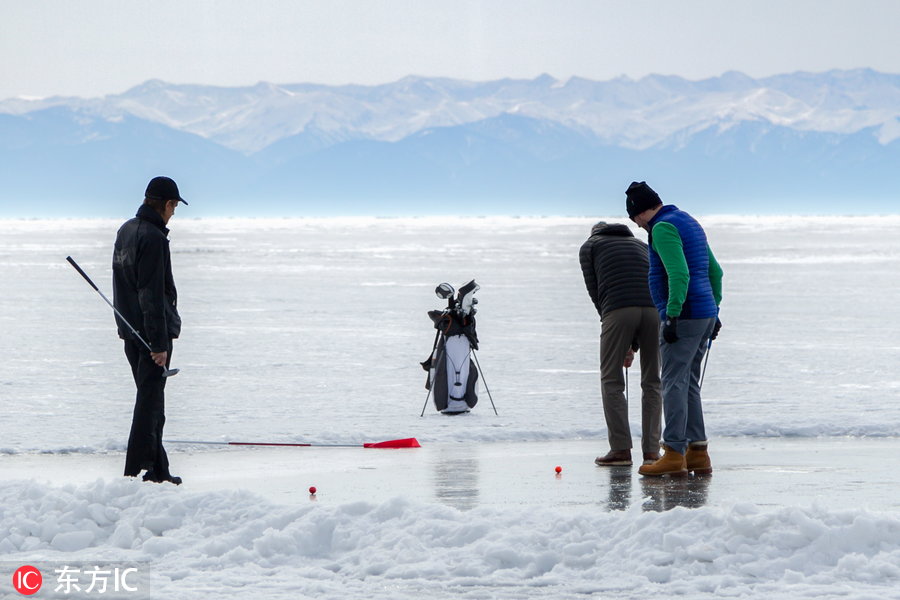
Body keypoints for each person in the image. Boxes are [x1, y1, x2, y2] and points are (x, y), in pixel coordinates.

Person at [624, 181, 723, 477]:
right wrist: (714, 311)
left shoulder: (663, 228)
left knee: (673, 383)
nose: (639, 227)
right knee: (688, 382)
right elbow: (715, 271)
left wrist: (674, 315)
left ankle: (675, 452)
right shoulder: (687, 221)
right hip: (703, 314)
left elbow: (678, 272)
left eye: (635, 220)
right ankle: (698, 453)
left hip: (685, 315)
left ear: (639, 213)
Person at [113, 176, 187, 485]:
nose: (173, 214)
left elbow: (126, 287)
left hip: (131, 330)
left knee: (151, 401)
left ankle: (158, 470)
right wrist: (159, 344)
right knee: (150, 404)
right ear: (167, 204)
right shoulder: (153, 238)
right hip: (149, 335)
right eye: (174, 207)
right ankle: (137, 472)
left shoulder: (127, 230)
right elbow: (151, 293)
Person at [580, 221, 662, 467]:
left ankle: (620, 450)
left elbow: (595, 291)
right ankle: (651, 453)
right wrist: (632, 346)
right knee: (652, 381)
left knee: (611, 380)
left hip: (617, 309)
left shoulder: (590, 246)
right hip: (654, 309)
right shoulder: (640, 244)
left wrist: (619, 335)